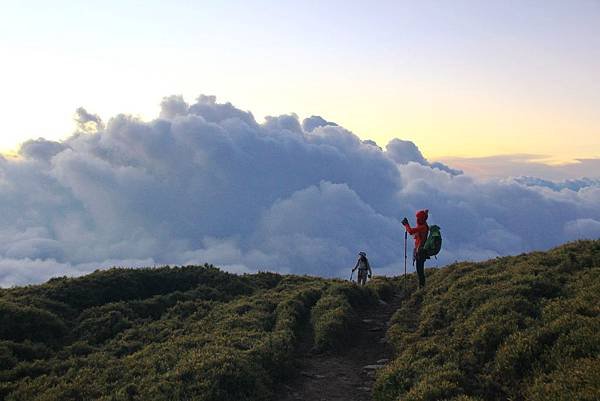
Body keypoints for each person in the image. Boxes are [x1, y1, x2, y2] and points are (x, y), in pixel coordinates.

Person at [402, 209, 429, 288]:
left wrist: (406, 224)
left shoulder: (423, 227)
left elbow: (410, 231)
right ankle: (422, 287)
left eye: (418, 218)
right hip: (420, 251)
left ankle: (422, 288)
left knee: (420, 271)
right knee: (420, 270)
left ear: (421, 219)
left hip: (420, 252)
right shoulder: (424, 226)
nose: (417, 219)